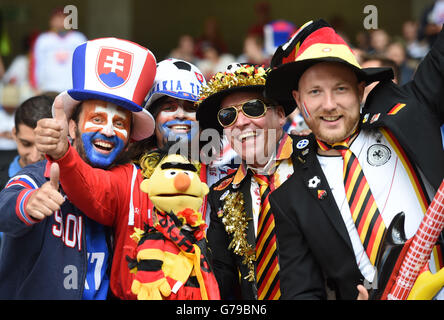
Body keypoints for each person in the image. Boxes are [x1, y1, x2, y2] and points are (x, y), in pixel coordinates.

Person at [264, 19, 444, 299]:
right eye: (315, 92)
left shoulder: (409, 114)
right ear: (299, 101)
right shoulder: (290, 200)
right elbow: (302, 293)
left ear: (360, 91)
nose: (329, 104)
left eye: (340, 89)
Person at [0, 37, 156, 299]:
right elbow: (6, 207)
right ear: (72, 127)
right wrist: (27, 204)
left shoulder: (130, 187)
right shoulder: (39, 175)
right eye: (96, 119)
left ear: (129, 139)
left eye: (119, 123)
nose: (107, 130)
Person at [195, 63, 325, 300]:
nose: (241, 122)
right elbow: (224, 280)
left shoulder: (321, 159)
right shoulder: (222, 194)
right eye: (228, 115)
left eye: (253, 109)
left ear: (280, 115)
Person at [129, 58, 239, 226]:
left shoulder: (223, 180)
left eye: (190, 108)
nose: (180, 114)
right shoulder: (129, 177)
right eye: (169, 107)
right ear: (151, 118)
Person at [0, 94, 54, 189]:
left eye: (43, 145)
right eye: (26, 144)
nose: (34, 157)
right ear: (14, 134)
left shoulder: (70, 183)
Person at [32, 7, 87, 93]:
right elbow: (35, 63)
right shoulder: (43, 39)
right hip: (48, 88)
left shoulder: (78, 38)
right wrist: (35, 86)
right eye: (57, 18)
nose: (61, 21)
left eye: (63, 18)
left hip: (72, 88)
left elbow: (85, 63)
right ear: (51, 21)